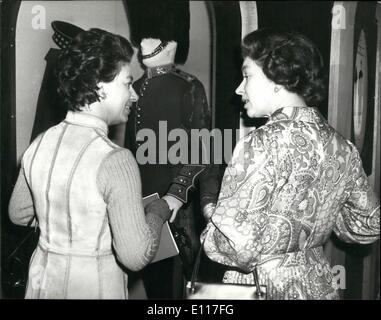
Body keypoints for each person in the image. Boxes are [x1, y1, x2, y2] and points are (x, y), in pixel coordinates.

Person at [201, 28, 380, 300]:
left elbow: (236, 247)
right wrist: (323, 217)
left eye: (247, 75)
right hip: (318, 284)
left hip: (258, 287)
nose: (239, 88)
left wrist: (210, 209)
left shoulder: (259, 143)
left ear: (276, 78)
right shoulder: (343, 147)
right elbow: (368, 225)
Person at [8, 28, 173, 299]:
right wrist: (156, 212)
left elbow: (18, 213)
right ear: (99, 85)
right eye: (126, 83)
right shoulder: (116, 160)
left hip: (44, 282)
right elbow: (135, 256)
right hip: (94, 286)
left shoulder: (40, 143)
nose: (134, 95)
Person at [124, 0, 221, 298]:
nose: (143, 42)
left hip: (178, 204)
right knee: (158, 289)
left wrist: (182, 195)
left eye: (151, 36)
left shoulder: (188, 87)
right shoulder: (133, 87)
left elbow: (204, 149)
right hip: (142, 204)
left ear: (169, 44)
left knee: (182, 286)